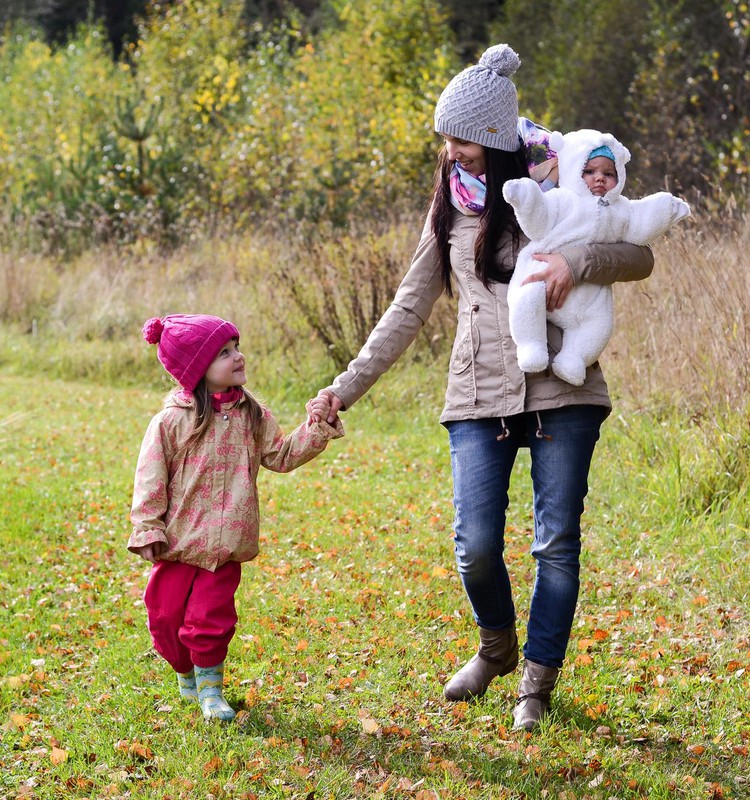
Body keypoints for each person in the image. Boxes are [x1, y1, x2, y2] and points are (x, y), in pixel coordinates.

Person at [315, 44, 655, 731]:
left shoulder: (563, 178)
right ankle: (496, 646)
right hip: (479, 388)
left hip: (564, 383)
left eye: (461, 140)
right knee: (474, 543)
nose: (450, 152)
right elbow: (410, 304)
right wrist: (344, 389)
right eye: (445, 139)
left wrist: (577, 259)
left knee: (555, 542)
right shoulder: (449, 200)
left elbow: (638, 250)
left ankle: (537, 678)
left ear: (499, 139)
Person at [128, 313, 343, 722]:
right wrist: (148, 526)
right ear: (196, 369)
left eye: (236, 348)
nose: (238, 357)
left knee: (210, 620)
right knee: (164, 620)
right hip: (177, 544)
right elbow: (150, 477)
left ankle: (211, 688)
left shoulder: (252, 415)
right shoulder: (172, 422)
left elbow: (280, 454)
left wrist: (318, 426)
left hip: (226, 545)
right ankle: (186, 673)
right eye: (224, 353)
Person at [504, 128, 690, 386]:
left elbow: (640, 225)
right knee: (527, 296)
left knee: (600, 324)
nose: (599, 179)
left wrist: (665, 209)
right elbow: (538, 220)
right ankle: (531, 345)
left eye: (608, 173)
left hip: (590, 294)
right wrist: (526, 199)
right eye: (589, 172)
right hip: (541, 276)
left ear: (620, 175)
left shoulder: (620, 209)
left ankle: (574, 357)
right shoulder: (561, 199)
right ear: (573, 169)